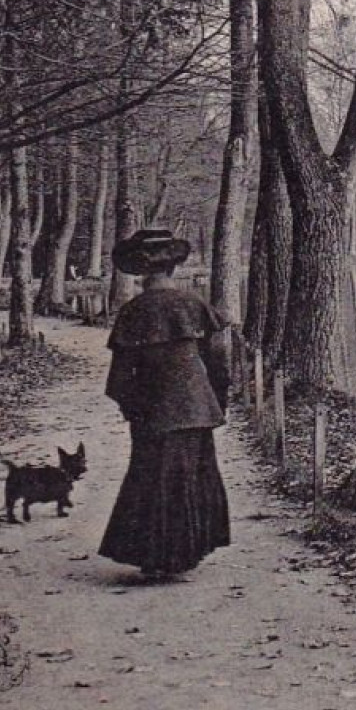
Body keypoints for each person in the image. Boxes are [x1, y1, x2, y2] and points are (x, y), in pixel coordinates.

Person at [99, 228, 230, 579]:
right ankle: (187, 553)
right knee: (191, 477)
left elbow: (120, 377)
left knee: (152, 479)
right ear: (174, 267)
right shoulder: (196, 305)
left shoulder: (133, 312)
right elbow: (218, 362)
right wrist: (218, 400)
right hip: (197, 407)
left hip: (153, 411)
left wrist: (132, 407)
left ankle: (156, 557)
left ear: (141, 272)